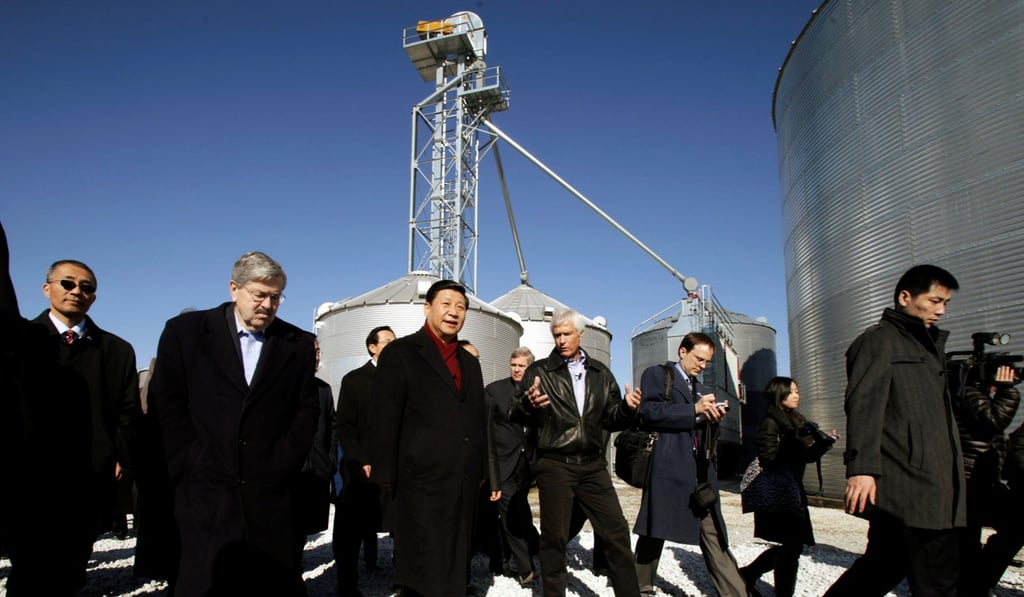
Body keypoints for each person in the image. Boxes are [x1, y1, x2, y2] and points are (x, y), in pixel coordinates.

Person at [148, 251, 320, 596]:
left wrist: (282, 461)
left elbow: (305, 411)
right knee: (203, 580)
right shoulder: (187, 333)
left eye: (276, 297)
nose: (268, 304)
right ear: (234, 288)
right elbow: (167, 403)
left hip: (269, 489)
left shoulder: (296, 343)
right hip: (205, 488)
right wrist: (189, 461)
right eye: (259, 294)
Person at [824, 264, 966, 597]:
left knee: (881, 569)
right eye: (934, 301)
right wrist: (861, 470)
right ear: (905, 297)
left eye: (945, 303)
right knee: (938, 582)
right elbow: (864, 406)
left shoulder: (926, 348)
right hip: (912, 486)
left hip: (932, 483)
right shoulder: (879, 341)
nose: (941, 310)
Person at [367, 280, 500, 597]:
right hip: (419, 479)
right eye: (446, 304)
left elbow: (477, 419)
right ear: (428, 308)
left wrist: (483, 471)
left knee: (457, 556)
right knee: (422, 561)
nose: (454, 312)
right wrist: (385, 473)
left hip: (464, 478)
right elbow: (384, 416)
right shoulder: (401, 353)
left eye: (461, 307)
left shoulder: (469, 361)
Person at [26, 259, 141, 591]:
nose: (76, 291)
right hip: (29, 474)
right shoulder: (23, 343)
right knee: (31, 565)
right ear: (47, 288)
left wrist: (120, 456)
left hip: (89, 474)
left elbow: (127, 411)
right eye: (68, 283)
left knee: (72, 564)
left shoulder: (116, 351)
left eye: (86, 287)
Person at [512, 308, 642, 597]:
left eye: (566, 334)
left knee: (617, 533)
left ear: (580, 334)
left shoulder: (600, 373)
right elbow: (515, 411)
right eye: (556, 335)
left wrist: (628, 409)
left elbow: (610, 418)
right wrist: (529, 404)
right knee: (554, 539)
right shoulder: (540, 372)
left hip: (593, 466)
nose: (561, 340)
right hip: (555, 464)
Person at [632, 332, 745, 597]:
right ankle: (640, 586)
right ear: (683, 351)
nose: (702, 365)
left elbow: (703, 432)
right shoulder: (658, 375)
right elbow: (649, 414)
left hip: (700, 470)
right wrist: (693, 411)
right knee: (654, 527)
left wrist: (713, 419)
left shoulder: (702, 389)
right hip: (667, 465)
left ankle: (736, 592)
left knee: (713, 529)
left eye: (707, 362)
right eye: (698, 359)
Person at [740, 377, 837, 597]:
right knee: (792, 547)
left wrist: (824, 443)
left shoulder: (795, 420)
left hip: (793, 490)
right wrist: (795, 445)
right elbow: (768, 458)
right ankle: (759, 580)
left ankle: (748, 574)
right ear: (779, 394)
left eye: (797, 391)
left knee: (793, 547)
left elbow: (804, 456)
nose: (796, 395)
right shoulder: (771, 422)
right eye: (791, 392)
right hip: (780, 493)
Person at [334, 325, 396, 596]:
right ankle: (347, 584)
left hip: (395, 468)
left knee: (402, 526)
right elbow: (345, 426)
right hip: (362, 469)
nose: (394, 346)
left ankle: (405, 580)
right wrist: (360, 460)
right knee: (352, 530)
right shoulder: (354, 380)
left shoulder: (402, 380)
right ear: (372, 347)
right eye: (388, 342)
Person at [951, 364, 1020, 596]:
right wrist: (1007, 390)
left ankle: (973, 582)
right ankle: (971, 585)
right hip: (969, 479)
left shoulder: (973, 395)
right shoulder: (968, 394)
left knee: (1006, 528)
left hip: (981, 478)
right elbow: (995, 421)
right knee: (968, 539)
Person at [485, 346, 541, 585]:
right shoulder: (494, 391)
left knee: (521, 509)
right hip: (502, 463)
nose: (517, 369)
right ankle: (525, 567)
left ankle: (506, 557)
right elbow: (485, 430)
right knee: (510, 514)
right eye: (513, 365)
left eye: (522, 366)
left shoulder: (538, 392)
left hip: (527, 464)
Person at [293, 339, 337, 570]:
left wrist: (330, 461)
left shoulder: (323, 389)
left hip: (316, 469)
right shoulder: (281, 386)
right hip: (290, 472)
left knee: (304, 526)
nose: (317, 357)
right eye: (313, 352)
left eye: (319, 351)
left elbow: (332, 426)